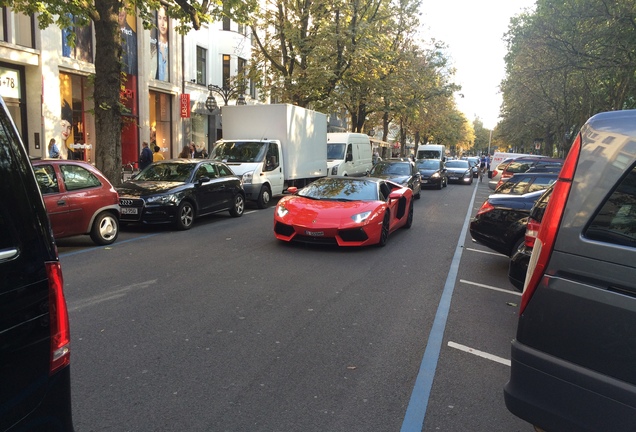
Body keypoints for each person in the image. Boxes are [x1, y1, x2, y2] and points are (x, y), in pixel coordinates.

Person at [118, 7, 137, 75]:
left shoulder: (134, 36)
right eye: (118, 15)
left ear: (126, 15)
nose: (119, 18)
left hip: (129, 75)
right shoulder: (110, 32)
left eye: (121, 15)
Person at [156, 6, 169, 80]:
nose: (162, 23)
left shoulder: (170, 48)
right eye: (159, 18)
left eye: (165, 19)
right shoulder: (153, 45)